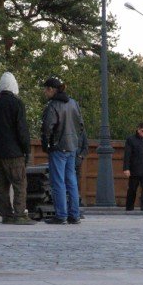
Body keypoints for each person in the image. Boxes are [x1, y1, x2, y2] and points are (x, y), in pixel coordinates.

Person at [0, 72, 33, 225]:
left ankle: (6, 214)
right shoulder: (17, 104)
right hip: (15, 153)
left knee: (2, 186)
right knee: (19, 184)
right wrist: (27, 149)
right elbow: (22, 129)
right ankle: (19, 214)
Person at [41, 77, 84, 225]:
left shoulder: (53, 105)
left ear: (51, 89)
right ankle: (75, 215)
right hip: (72, 145)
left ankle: (61, 215)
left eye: (45, 90)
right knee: (71, 180)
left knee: (58, 181)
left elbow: (47, 127)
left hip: (58, 147)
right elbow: (80, 124)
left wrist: (46, 144)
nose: (44, 93)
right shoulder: (73, 103)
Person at [123, 122, 143, 211]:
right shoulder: (131, 139)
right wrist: (126, 168)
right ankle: (129, 208)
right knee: (132, 189)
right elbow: (127, 155)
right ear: (138, 130)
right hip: (134, 170)